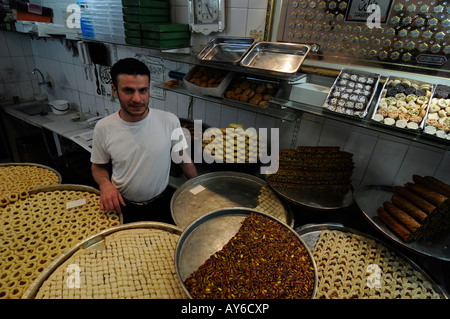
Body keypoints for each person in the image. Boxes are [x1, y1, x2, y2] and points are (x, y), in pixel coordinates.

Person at [90, 58, 198, 224]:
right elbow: (98, 166)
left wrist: (200, 189)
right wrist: (105, 185)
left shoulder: (169, 121)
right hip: (122, 206)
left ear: (149, 89)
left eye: (143, 90)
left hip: (162, 203)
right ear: (115, 90)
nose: (137, 99)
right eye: (128, 90)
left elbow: (183, 160)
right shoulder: (104, 127)